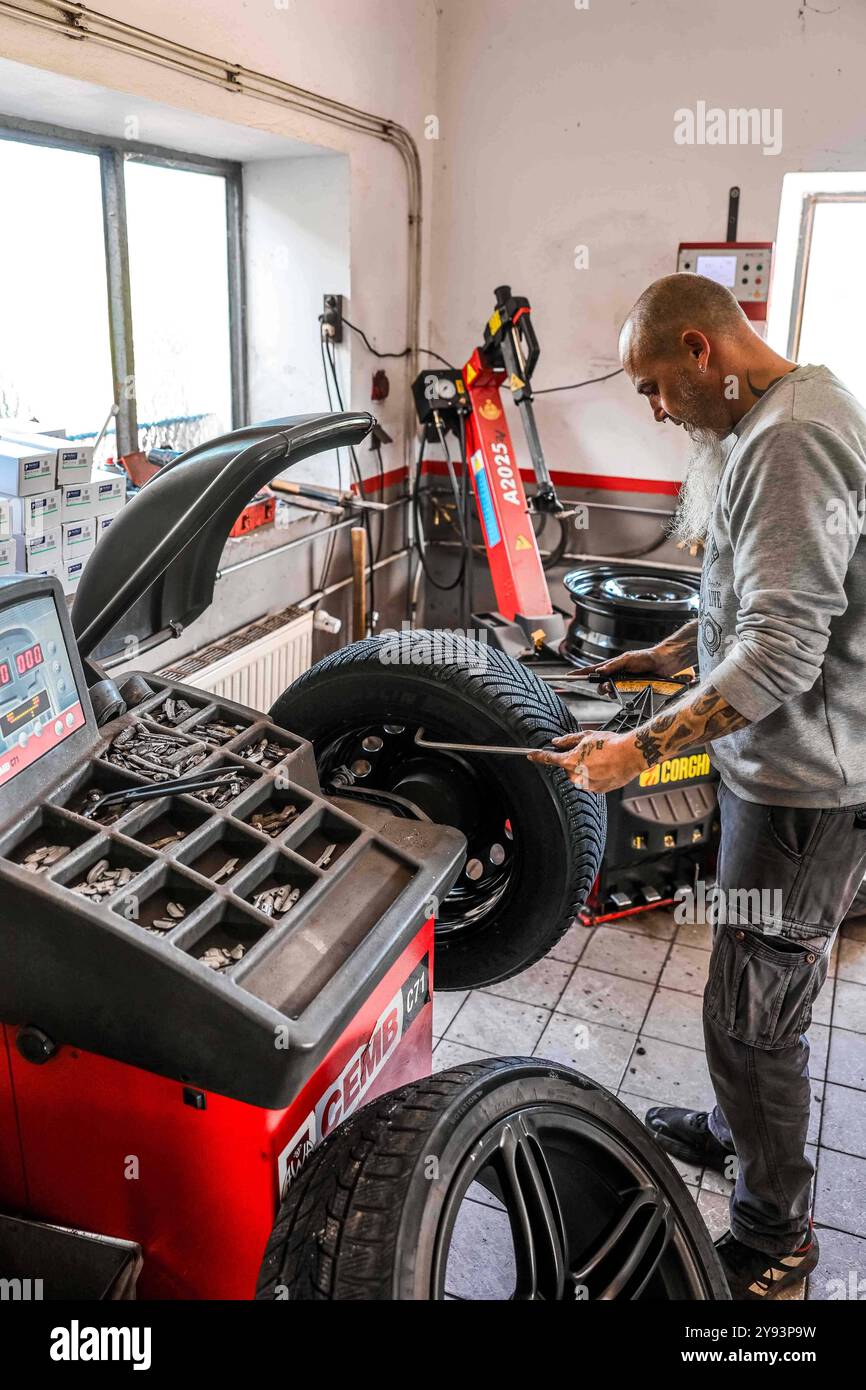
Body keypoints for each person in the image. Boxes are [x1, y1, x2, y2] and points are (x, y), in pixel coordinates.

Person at [531, 272, 866, 1299]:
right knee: (751, 974)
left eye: (652, 386)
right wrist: (670, 653)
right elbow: (750, 597)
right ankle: (734, 1131)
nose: (652, 408)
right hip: (775, 776)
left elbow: (776, 653)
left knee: (749, 1011)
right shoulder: (780, 411)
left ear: (699, 350)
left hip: (801, 792)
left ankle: (775, 1240)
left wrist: (639, 749)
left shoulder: (787, 441)